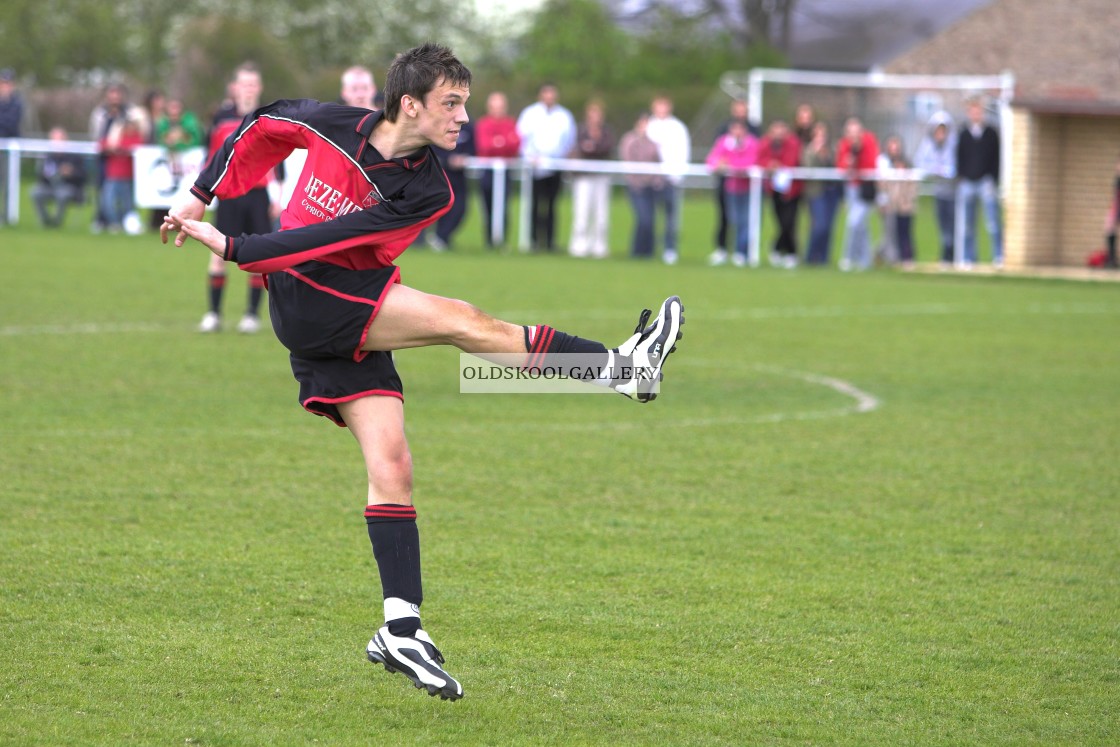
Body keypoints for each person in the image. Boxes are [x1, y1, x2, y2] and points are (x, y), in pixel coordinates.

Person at [162, 42, 684, 702]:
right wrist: (203, 197)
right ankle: (623, 368)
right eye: (451, 103)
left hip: (335, 295)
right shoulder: (335, 123)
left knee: (394, 462)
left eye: (465, 103)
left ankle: (399, 626)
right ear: (409, 104)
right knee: (465, 322)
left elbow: (339, 239)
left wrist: (242, 247)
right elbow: (265, 122)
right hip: (309, 295)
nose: (462, 116)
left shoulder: (427, 186)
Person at [199, 62, 280, 334]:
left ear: (259, 88)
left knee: (259, 257)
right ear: (235, 88)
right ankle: (213, 314)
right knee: (217, 254)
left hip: (258, 197)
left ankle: (251, 316)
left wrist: (278, 195)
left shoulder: (268, 116)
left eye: (253, 84)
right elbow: (211, 158)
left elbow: (278, 158)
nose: (249, 89)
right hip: (230, 196)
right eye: (244, 84)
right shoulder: (222, 119)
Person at [516, 83, 576, 252]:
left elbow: (569, 140)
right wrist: (529, 157)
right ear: (541, 95)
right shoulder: (530, 114)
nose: (549, 98)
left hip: (556, 165)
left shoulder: (564, 116)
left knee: (552, 205)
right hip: (534, 166)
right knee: (534, 203)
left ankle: (550, 242)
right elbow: (522, 138)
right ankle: (534, 240)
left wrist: (561, 157)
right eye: (546, 94)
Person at [710, 99, 759, 264]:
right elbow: (713, 160)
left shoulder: (752, 141)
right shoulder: (724, 141)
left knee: (746, 220)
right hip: (730, 187)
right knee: (730, 218)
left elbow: (752, 160)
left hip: (747, 188)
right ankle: (723, 249)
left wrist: (731, 164)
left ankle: (742, 251)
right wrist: (719, 164)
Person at [956, 96, 1003, 268]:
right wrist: (961, 177)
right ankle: (969, 258)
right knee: (967, 224)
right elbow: (959, 157)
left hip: (985, 182)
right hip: (967, 182)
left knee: (992, 222)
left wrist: (993, 179)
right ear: (969, 113)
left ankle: (998, 256)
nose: (976, 114)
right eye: (973, 111)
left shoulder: (991, 133)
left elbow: (996, 159)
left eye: (979, 111)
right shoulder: (963, 133)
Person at [567, 99, 615, 259]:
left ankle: (599, 245)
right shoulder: (580, 131)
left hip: (601, 177)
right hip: (584, 177)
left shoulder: (607, 132)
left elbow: (605, 148)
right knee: (581, 211)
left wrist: (592, 147)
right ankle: (579, 245)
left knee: (601, 213)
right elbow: (580, 149)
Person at [646, 95, 691, 265]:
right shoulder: (649, 125)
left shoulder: (678, 127)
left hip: (671, 177)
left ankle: (670, 249)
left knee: (671, 217)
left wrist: (678, 175)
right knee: (648, 216)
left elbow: (683, 152)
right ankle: (649, 248)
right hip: (651, 179)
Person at [474, 91, 520, 249]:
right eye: (495, 106)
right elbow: (484, 147)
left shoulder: (510, 123)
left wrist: (498, 143)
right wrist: (502, 142)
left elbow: (515, 146)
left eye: (500, 106)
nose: (498, 110)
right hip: (488, 171)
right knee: (487, 207)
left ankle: (501, 241)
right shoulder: (483, 123)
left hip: (506, 171)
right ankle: (489, 242)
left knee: (504, 207)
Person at [913, 111, 957, 267]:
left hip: (953, 194)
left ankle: (952, 256)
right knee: (943, 227)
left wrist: (946, 171)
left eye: (943, 131)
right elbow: (921, 164)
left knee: (953, 227)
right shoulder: (929, 146)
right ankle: (946, 255)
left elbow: (955, 168)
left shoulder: (953, 146)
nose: (940, 134)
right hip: (939, 193)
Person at [836, 117, 879, 272]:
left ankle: (848, 257)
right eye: (850, 133)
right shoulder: (844, 145)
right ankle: (865, 260)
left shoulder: (869, 141)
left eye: (856, 132)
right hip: (851, 188)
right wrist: (849, 161)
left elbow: (871, 164)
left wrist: (858, 153)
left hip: (865, 189)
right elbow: (841, 167)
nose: (854, 136)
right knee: (861, 226)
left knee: (853, 222)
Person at [758, 119, 803, 268]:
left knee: (789, 222)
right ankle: (784, 251)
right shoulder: (766, 143)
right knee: (780, 221)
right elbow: (760, 159)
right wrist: (769, 165)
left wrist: (777, 165)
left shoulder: (793, 143)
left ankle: (787, 251)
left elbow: (791, 161)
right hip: (775, 189)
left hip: (792, 190)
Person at [618, 111, 663, 259]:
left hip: (651, 186)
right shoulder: (629, 139)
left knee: (650, 219)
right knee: (643, 218)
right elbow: (627, 161)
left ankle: (648, 252)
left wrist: (656, 181)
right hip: (636, 186)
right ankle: (637, 251)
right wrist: (637, 182)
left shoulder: (654, 142)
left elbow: (657, 162)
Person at [423, 118, 474, 251]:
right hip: (441, 173)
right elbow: (432, 146)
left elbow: (473, 147)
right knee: (439, 206)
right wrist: (448, 160)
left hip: (460, 175)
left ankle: (441, 237)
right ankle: (435, 237)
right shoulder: (439, 123)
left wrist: (465, 157)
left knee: (460, 208)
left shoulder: (468, 126)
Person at [801, 121, 842, 266]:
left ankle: (824, 258)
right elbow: (808, 168)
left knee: (829, 226)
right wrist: (816, 153)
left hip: (831, 192)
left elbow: (837, 167)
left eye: (823, 134)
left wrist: (827, 156)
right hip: (816, 192)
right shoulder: (808, 150)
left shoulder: (832, 150)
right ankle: (810, 256)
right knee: (820, 225)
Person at [98, 110, 145, 233]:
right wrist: (112, 148)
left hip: (127, 176)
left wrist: (121, 149)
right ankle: (114, 224)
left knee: (128, 204)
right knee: (108, 202)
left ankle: (129, 224)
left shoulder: (136, 137)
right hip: (112, 175)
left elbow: (137, 149)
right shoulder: (114, 136)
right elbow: (102, 146)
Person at [31, 127, 87, 228]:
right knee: (36, 192)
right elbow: (40, 177)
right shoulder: (48, 156)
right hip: (50, 187)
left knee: (63, 194)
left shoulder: (75, 156)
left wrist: (70, 173)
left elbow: (83, 176)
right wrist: (45, 174)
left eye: (59, 139)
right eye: (54, 140)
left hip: (70, 187)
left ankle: (56, 223)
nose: (56, 143)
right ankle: (46, 221)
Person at [883, 148, 918, 268]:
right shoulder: (892, 178)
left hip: (906, 210)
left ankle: (908, 258)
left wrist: (903, 202)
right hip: (895, 210)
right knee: (895, 234)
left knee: (906, 235)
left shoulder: (909, 178)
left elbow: (911, 193)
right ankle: (897, 258)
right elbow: (887, 190)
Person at [874, 135, 904, 266]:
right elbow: (881, 184)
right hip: (887, 202)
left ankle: (878, 253)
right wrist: (882, 202)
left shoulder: (902, 162)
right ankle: (893, 259)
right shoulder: (882, 162)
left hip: (899, 202)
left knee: (894, 231)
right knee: (889, 230)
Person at [0, 68, 24, 225]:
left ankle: (8, 216)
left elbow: (11, 124)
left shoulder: (17, 103)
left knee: (8, 183)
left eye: (8, 83)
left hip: (9, 149)